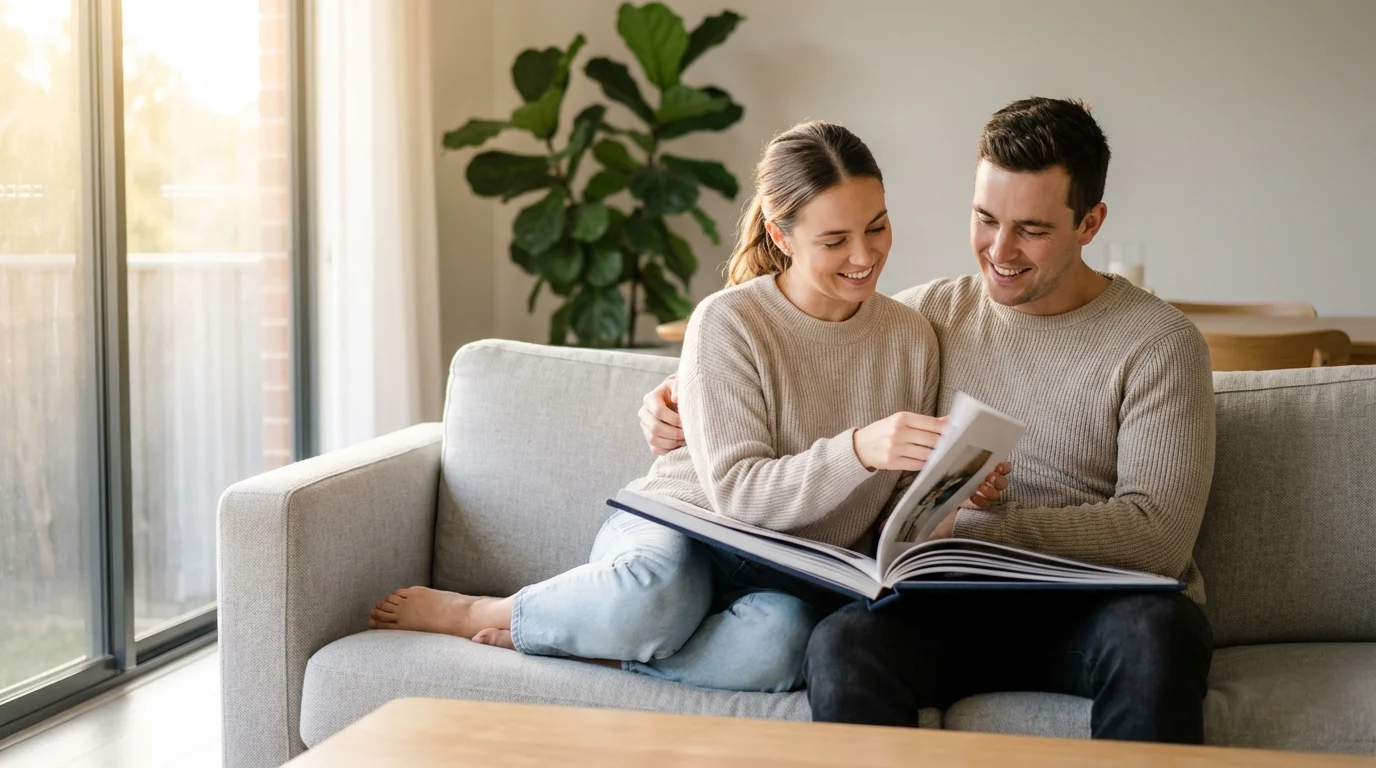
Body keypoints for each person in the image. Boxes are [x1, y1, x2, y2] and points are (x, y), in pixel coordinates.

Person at [637, 98, 1217, 741]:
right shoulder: (931, 317)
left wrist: (982, 527)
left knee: (1154, 633)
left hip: (1105, 610)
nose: (1000, 250)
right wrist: (676, 397)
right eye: (985, 218)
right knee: (843, 642)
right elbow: (809, 349)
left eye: (1032, 229)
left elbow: (1158, 535)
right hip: (955, 607)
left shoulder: (1159, 341)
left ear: (1090, 222)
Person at [366, 121, 1010, 693]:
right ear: (781, 236)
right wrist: (860, 447)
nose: (866, 256)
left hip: (789, 570)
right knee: (658, 597)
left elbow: (897, 503)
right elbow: (736, 493)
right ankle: (493, 613)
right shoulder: (730, 321)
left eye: (877, 226)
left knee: (780, 649)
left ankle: (605, 646)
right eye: (835, 239)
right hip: (686, 525)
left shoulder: (910, 336)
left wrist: (954, 487)